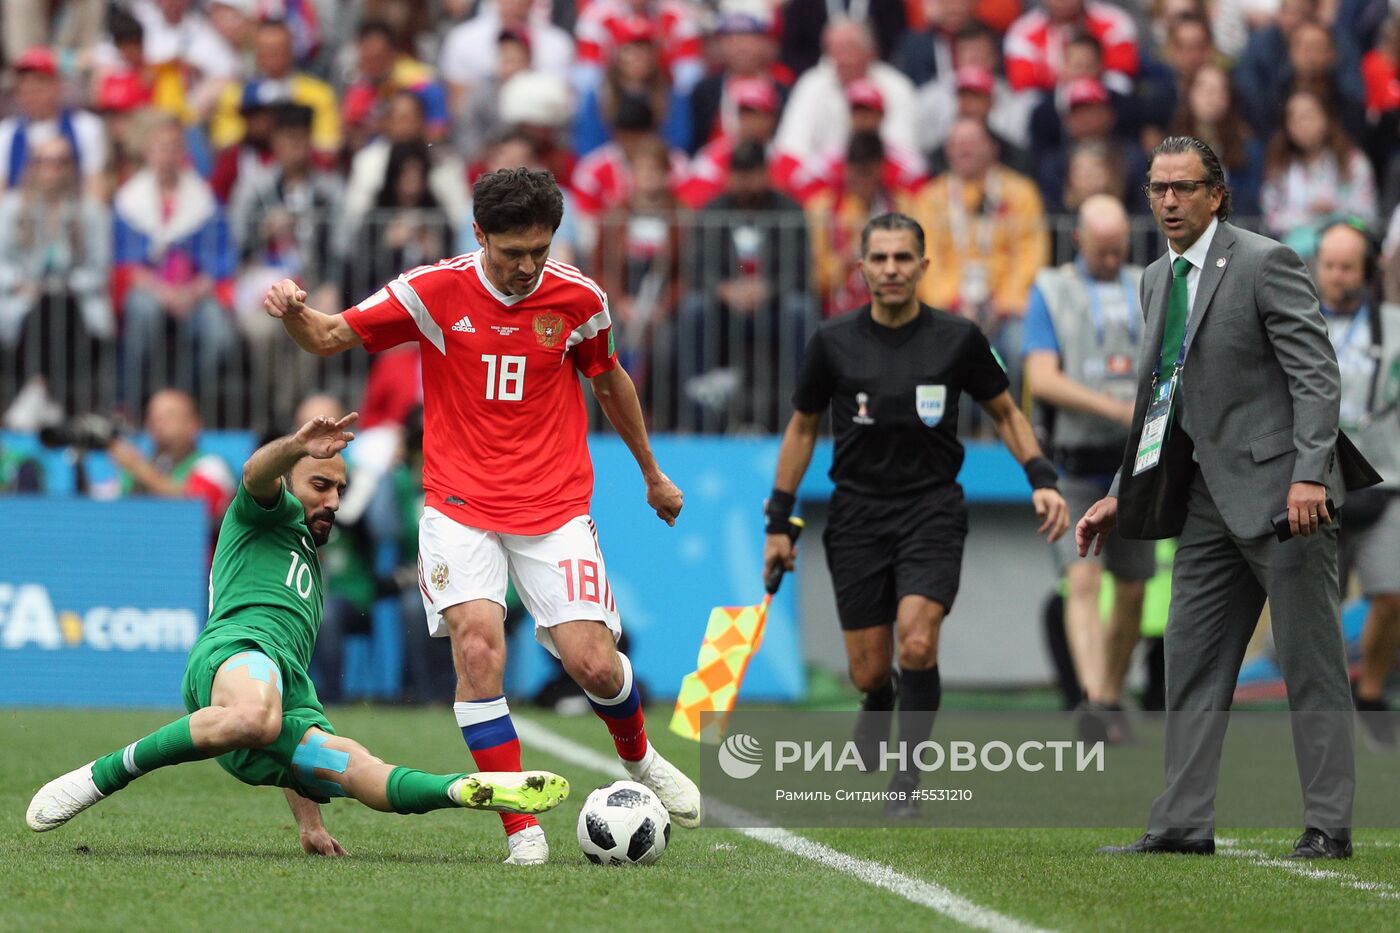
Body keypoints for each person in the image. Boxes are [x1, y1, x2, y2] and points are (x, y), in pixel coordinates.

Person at [262, 167, 699, 865]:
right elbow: (327, 335)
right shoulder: (434, 290)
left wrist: (651, 473)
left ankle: (640, 756)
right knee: (477, 648)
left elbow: (609, 379)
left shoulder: (580, 297)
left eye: (538, 250)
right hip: (460, 507)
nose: (526, 267)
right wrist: (290, 308)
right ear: (478, 235)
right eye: (510, 252)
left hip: (554, 506)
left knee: (593, 663)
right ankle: (520, 826)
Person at [27, 412, 568, 849]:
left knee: (358, 771)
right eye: (320, 484)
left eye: (339, 489)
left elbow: (278, 712)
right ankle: (105, 773)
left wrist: (308, 821)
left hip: (283, 691)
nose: (332, 500)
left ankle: (475, 790)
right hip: (236, 653)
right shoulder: (266, 513)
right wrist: (294, 445)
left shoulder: (309, 561)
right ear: (290, 481)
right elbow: (256, 474)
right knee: (256, 715)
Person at [1081, 136, 1379, 859]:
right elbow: (1160, 400)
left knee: (1310, 661)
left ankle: (1329, 824)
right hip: (1208, 500)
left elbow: (1316, 375)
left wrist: (1311, 473)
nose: (1170, 201)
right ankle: (1183, 823)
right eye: (1158, 188)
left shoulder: (1265, 260)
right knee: (1190, 657)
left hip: (1288, 498)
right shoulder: (1156, 279)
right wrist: (1125, 488)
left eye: (1184, 188)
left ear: (1217, 194)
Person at [763, 212, 1070, 818]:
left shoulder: (958, 338)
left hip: (931, 508)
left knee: (919, 640)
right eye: (879, 258)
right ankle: (878, 700)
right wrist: (778, 521)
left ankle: (907, 780)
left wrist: (1041, 478)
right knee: (868, 669)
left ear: (925, 266)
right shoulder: (831, 341)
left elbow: (1007, 412)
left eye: (903, 258)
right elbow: (801, 428)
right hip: (856, 514)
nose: (891, 269)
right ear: (862, 268)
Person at [1022, 195, 1153, 739]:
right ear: (1079, 240)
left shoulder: (1149, 283)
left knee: (1132, 589)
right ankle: (1095, 704)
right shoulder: (1051, 291)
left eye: (1118, 247)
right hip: (1073, 463)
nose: (1110, 256)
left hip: (1135, 463)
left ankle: (1107, 693)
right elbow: (1043, 378)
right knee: (1081, 579)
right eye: (1101, 249)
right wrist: (1115, 407)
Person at [1312, 222, 1400, 749]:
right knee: (1320, 610)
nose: (1337, 276)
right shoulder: (1297, 323)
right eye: (1329, 265)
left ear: (1366, 273)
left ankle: (1369, 694)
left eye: (1348, 267)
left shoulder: (1393, 326)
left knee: (1392, 595)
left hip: (1386, 481)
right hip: (1316, 487)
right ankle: (1327, 710)